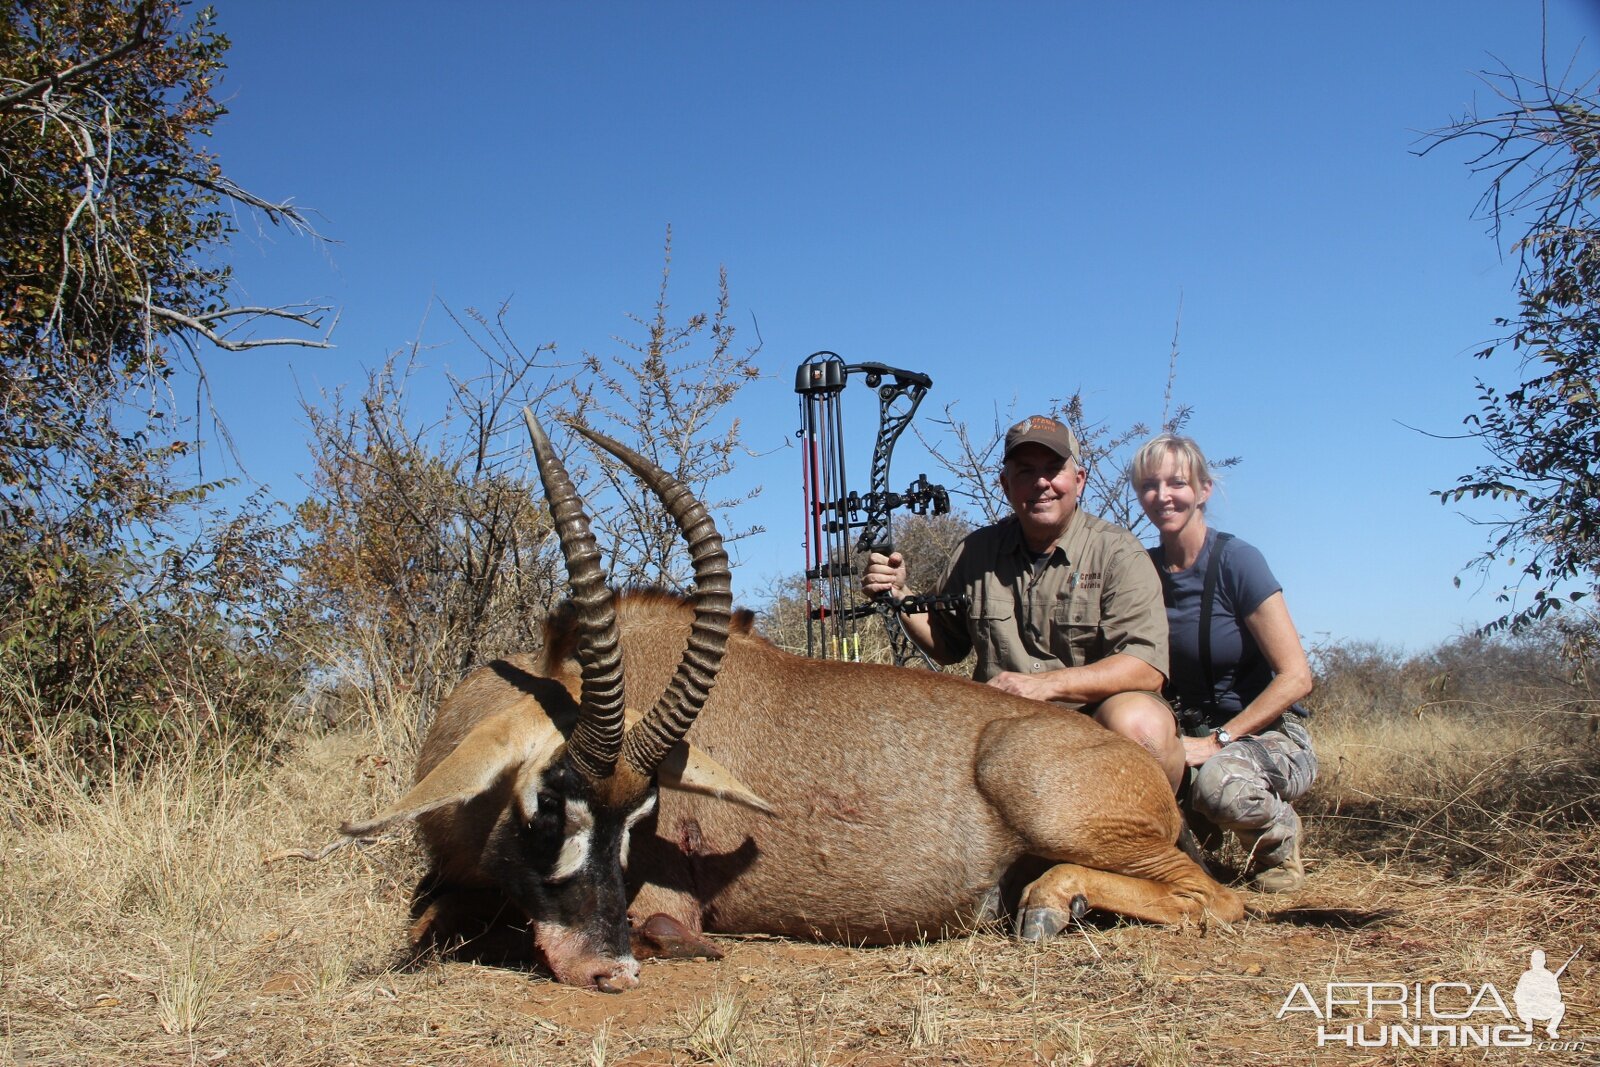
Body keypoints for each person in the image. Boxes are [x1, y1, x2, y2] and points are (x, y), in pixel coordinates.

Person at [863, 415, 1184, 789]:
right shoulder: (975, 551)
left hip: (1093, 723)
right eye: (1026, 472)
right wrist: (900, 595)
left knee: (1142, 726)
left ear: (1078, 480)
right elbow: (946, 646)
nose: (1041, 483)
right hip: (1002, 726)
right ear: (1005, 484)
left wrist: (1044, 686)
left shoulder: (1117, 552)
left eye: (1053, 470)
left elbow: (1145, 668)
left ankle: (1151, 837)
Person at [1129, 433, 1317, 892]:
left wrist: (1219, 741)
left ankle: (1278, 843)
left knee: (1219, 787)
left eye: (1177, 483)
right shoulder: (1139, 569)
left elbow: (1296, 678)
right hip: (1183, 733)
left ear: (1204, 490)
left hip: (1264, 734)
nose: (1163, 496)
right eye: (1150, 485)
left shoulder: (1238, 561)